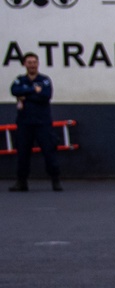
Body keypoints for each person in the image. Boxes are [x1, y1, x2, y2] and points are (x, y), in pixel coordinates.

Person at [9, 52, 61, 192]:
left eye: (34, 62)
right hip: (25, 123)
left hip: (42, 123)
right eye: (29, 62)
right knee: (23, 154)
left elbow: (45, 96)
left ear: (38, 64)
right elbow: (14, 90)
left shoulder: (44, 80)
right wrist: (33, 90)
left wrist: (25, 96)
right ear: (24, 64)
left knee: (49, 152)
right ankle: (22, 182)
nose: (32, 65)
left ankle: (55, 180)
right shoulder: (20, 80)